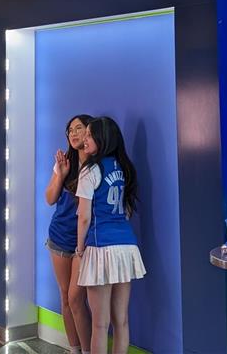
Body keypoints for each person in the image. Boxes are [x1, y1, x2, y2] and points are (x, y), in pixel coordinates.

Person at [76, 117, 146, 354]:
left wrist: (79, 248)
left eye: (89, 135)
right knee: (121, 320)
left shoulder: (90, 170)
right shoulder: (124, 168)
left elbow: (83, 217)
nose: (84, 139)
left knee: (100, 324)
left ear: (102, 138)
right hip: (126, 246)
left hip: (100, 246)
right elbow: (126, 211)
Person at [45, 115, 93, 354]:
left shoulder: (97, 165)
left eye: (78, 128)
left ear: (90, 131)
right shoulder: (65, 162)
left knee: (77, 300)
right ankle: (74, 349)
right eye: (70, 130)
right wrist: (61, 174)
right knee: (65, 297)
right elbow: (50, 198)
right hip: (60, 237)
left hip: (85, 242)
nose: (73, 134)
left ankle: (88, 350)